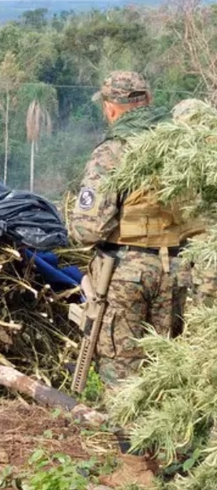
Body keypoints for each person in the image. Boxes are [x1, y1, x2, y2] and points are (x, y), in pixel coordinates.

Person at [69, 71, 202, 389]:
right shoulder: (183, 144)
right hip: (178, 270)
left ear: (110, 108)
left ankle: (123, 423)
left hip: (126, 273)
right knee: (167, 369)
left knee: (122, 371)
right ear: (149, 100)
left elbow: (87, 230)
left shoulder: (114, 151)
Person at [171, 98, 217, 309]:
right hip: (193, 249)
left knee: (207, 308)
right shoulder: (183, 161)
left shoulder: (197, 161)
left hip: (207, 254)